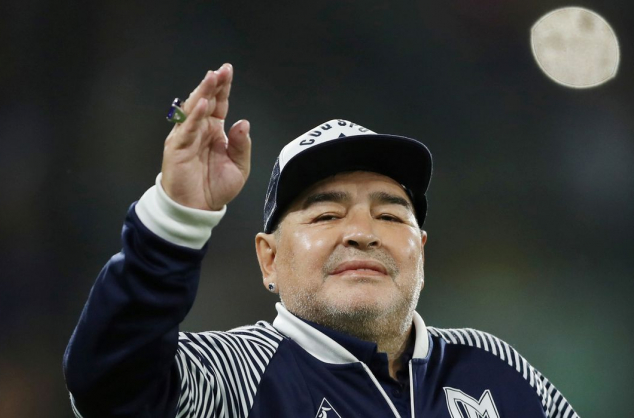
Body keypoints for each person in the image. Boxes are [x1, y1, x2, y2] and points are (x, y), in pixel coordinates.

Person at [63, 63, 579, 418]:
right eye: (327, 214)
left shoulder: (495, 368)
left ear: (420, 252)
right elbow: (111, 386)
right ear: (268, 259)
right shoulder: (234, 378)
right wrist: (175, 221)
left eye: (389, 215)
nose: (363, 233)